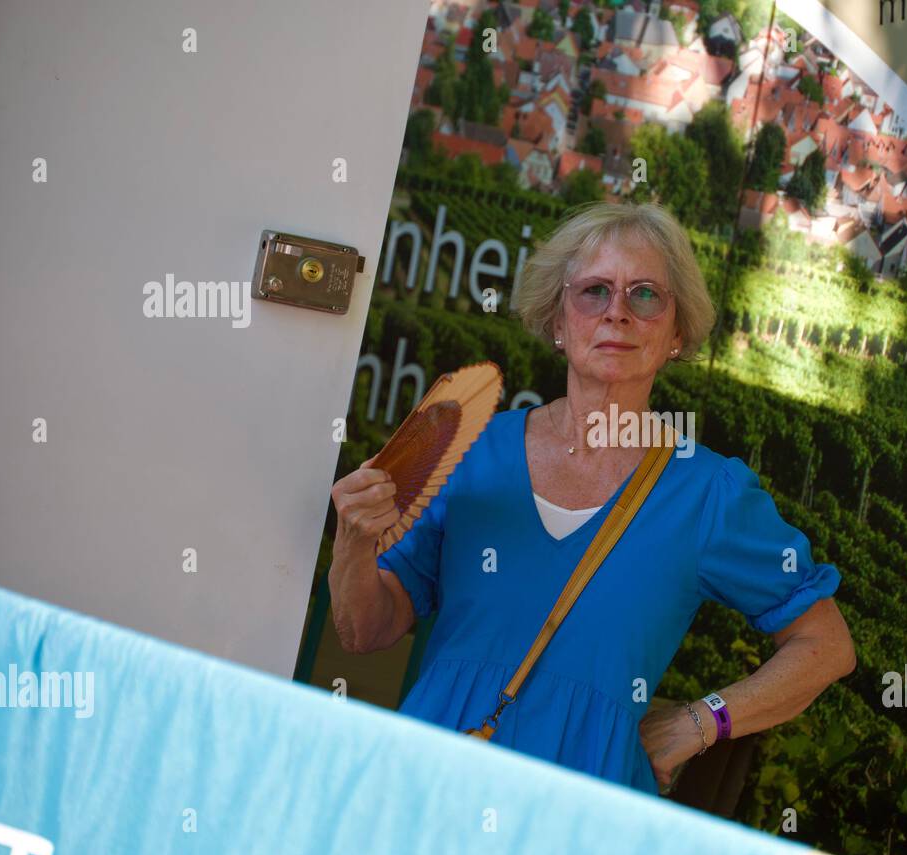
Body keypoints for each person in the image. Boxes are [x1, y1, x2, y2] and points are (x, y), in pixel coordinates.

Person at [328, 200, 855, 797]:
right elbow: (364, 631)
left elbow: (826, 646)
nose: (617, 314)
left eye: (646, 295)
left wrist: (700, 722)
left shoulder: (708, 494)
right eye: (594, 292)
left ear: (677, 333)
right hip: (427, 781)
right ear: (556, 321)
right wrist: (354, 539)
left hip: (586, 807)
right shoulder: (474, 452)